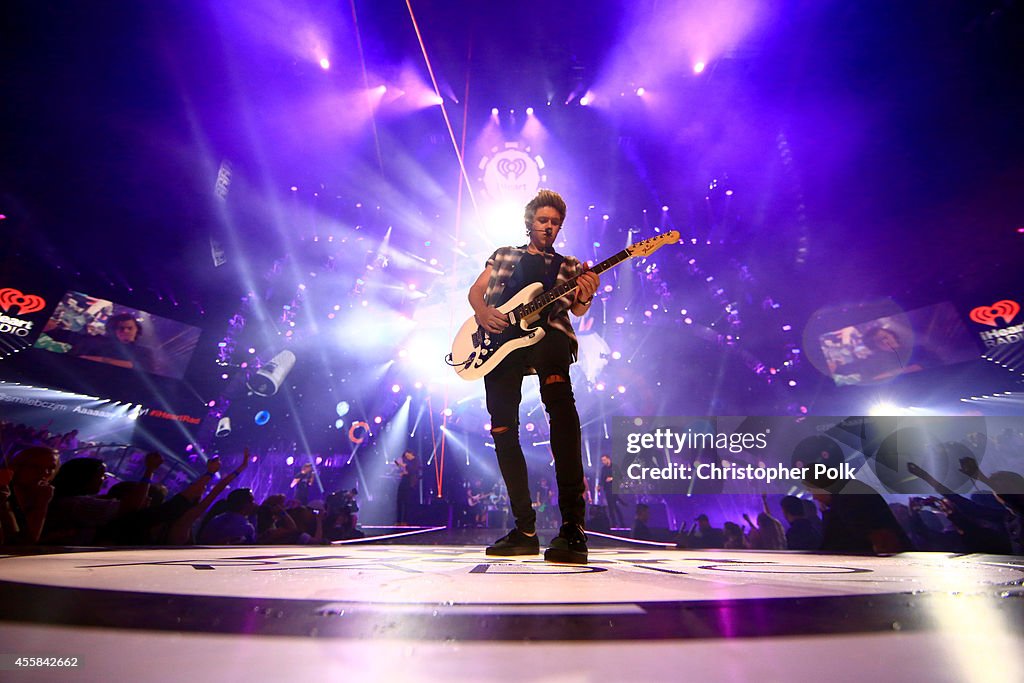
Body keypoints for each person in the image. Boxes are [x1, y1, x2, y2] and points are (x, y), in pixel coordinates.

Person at [469, 190, 599, 564]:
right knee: (503, 429)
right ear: (530, 222)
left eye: (555, 222)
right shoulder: (506, 255)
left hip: (550, 338)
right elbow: (477, 291)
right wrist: (481, 313)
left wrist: (587, 295)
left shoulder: (570, 265)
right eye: (543, 220)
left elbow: (577, 308)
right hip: (499, 343)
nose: (549, 227)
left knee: (562, 416)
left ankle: (573, 528)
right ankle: (524, 530)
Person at [598, 454, 626, 529]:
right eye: (602, 460)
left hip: (614, 489)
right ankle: (615, 523)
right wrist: (599, 486)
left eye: (604, 460)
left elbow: (620, 476)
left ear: (608, 459)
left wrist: (612, 478)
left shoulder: (615, 467)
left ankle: (619, 523)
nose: (603, 462)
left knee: (613, 506)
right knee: (612, 507)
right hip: (607, 490)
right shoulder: (603, 469)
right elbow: (601, 479)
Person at [394, 450, 420, 525]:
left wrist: (403, 466)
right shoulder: (408, 462)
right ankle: (398, 520)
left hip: (410, 483)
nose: (407, 457)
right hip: (404, 481)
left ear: (412, 454)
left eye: (408, 456)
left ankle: (405, 520)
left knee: (406, 502)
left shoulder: (416, 461)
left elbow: (412, 471)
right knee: (399, 501)